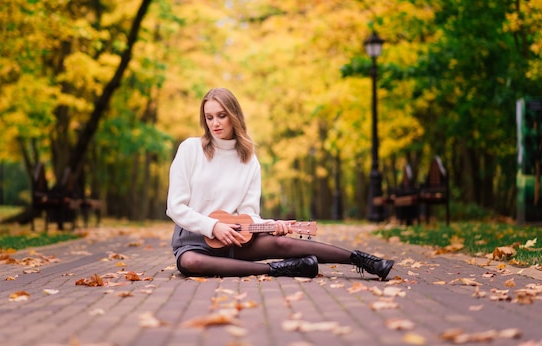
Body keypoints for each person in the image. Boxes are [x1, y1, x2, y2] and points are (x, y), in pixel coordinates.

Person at [166, 88, 394, 280]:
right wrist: (213, 227)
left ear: (234, 115)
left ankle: (364, 261)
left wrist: (270, 225)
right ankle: (278, 269)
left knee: (283, 244)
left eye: (221, 115)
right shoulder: (190, 149)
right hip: (194, 240)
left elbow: (248, 214)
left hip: (234, 239)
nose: (215, 123)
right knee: (190, 262)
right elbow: (175, 207)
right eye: (209, 117)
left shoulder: (248, 160)